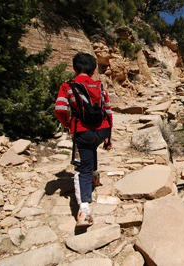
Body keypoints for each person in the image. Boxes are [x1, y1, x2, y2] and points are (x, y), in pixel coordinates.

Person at [55, 52, 113, 226]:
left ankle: (84, 210)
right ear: (94, 70)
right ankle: (95, 177)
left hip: (83, 130)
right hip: (102, 130)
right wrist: (109, 137)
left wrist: (68, 124)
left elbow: (60, 109)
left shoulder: (67, 86)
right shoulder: (100, 86)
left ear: (74, 68)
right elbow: (108, 112)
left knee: (82, 168)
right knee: (92, 149)